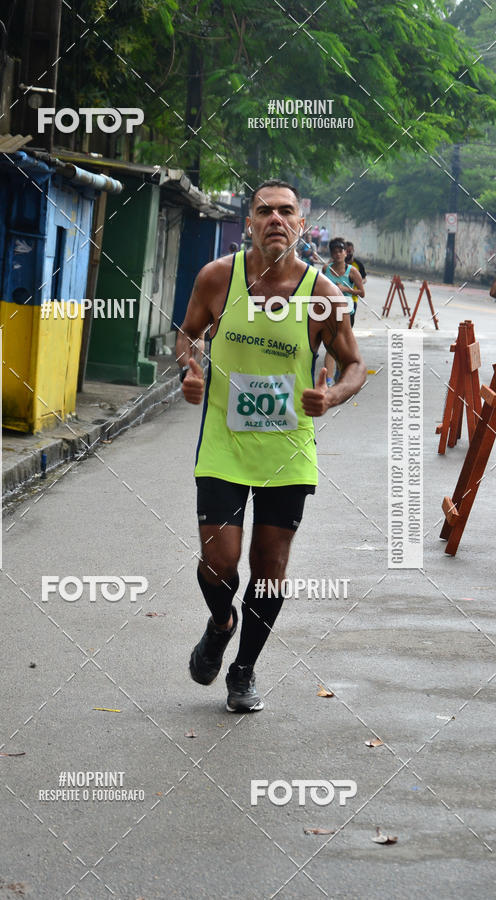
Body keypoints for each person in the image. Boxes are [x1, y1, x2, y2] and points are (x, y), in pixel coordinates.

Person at [176, 180, 365, 713]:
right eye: (265, 211)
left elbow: (354, 365)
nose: (276, 219)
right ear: (249, 223)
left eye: (287, 212)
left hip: (288, 449)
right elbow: (188, 334)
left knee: (270, 567)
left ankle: (244, 669)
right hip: (223, 443)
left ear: (301, 225)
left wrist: (331, 395)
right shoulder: (218, 277)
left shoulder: (323, 295)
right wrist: (189, 369)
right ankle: (220, 624)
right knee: (220, 563)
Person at [322, 238, 364, 385]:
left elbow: (362, 292)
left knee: (341, 343)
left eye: (341, 251)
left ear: (346, 253)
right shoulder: (326, 269)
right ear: (331, 254)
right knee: (330, 344)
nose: (338, 254)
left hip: (346, 312)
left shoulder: (352, 272)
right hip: (329, 311)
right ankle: (328, 380)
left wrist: (346, 289)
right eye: (335, 252)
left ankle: (342, 371)